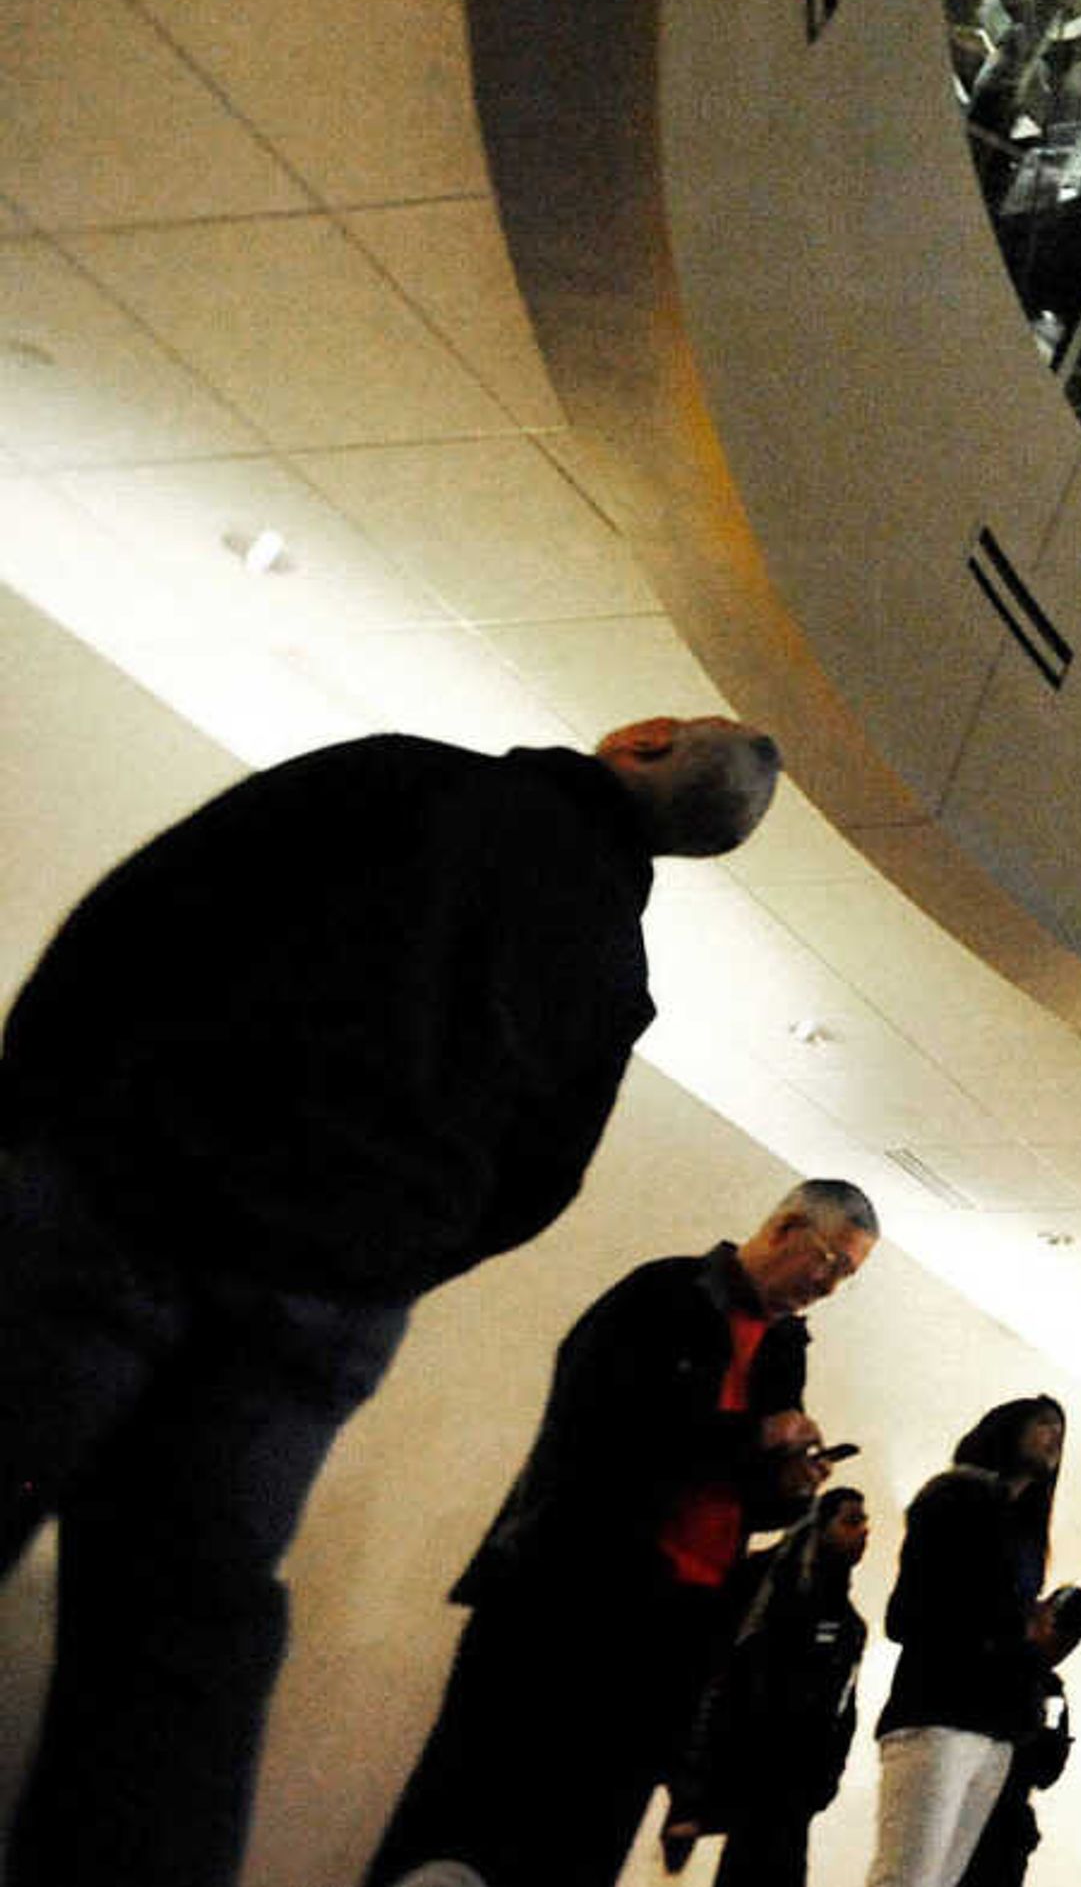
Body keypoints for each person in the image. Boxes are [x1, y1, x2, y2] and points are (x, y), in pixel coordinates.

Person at [0, 713, 785, 1887]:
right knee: (181, 1643)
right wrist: (381, 1259)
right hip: (324, 1305)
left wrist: (43, 1113)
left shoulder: (409, 779)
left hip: (130, 1192)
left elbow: (147, 910)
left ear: (645, 737)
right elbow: (535, 1185)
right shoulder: (614, 975)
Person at [367, 1180, 878, 1887]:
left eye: (846, 1278)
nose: (826, 1286)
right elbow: (604, 1433)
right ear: (786, 1226)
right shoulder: (662, 1297)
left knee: (584, 1841)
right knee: (469, 1822)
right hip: (563, 1600)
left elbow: (743, 1490)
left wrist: (787, 1488)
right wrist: (751, 1435)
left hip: (670, 1633)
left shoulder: (785, 1349)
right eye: (828, 1261)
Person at [870, 1395, 1074, 1887]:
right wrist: (1015, 1624)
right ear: (1007, 1429)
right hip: (940, 1713)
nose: (1054, 1439)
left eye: (1060, 1431)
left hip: (992, 1723)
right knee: (908, 1877)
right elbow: (907, 1614)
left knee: (936, 1878)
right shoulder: (955, 1498)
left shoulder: (1022, 1529)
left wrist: (1039, 1637)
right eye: (1043, 1424)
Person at [662, 1487, 878, 1887]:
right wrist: (690, 1793)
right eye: (851, 1520)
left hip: (788, 1793)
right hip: (745, 1777)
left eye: (864, 1522)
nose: (865, 1531)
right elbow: (717, 1679)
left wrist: (825, 1779)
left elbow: (842, 1709)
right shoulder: (762, 1592)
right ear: (817, 1525)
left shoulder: (847, 1626)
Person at [957, 1584, 1081, 1887]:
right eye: (1060, 1634)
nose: (1060, 1649)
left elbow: (1048, 1769)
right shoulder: (986, 1659)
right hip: (965, 1815)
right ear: (1039, 1613)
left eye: (1070, 1642)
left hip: (1006, 1828)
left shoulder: (1050, 1691)